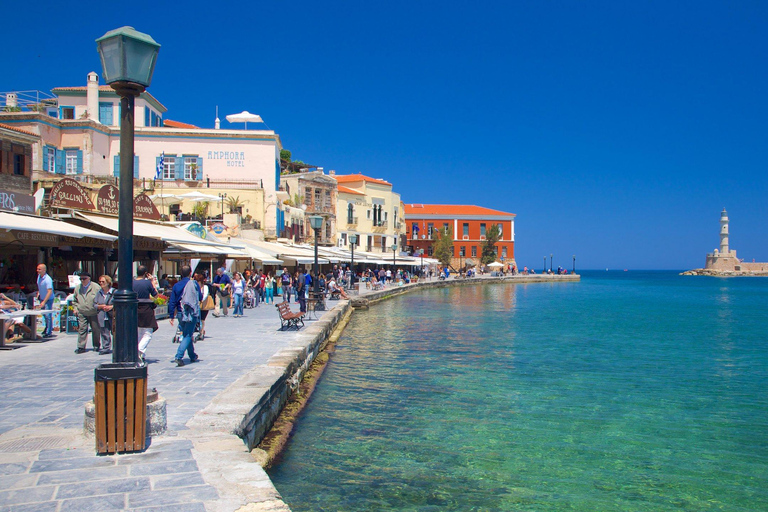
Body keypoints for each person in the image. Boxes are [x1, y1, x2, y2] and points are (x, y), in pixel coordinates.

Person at [168, 265, 200, 367]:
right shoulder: (193, 283)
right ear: (190, 272)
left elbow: (172, 301)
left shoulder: (176, 285)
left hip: (180, 313)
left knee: (187, 333)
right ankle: (179, 356)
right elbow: (200, 296)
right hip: (190, 312)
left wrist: (171, 315)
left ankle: (192, 355)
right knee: (187, 335)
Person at [134, 265, 159, 365]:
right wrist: (152, 282)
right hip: (146, 309)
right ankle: (140, 350)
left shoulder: (132, 282)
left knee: (139, 332)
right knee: (148, 333)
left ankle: (140, 355)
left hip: (135, 309)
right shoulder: (147, 283)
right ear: (145, 273)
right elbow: (156, 295)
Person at [73, 272, 101, 354]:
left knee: (96, 329)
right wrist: (75, 309)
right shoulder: (77, 288)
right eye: (80, 279)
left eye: (84, 278)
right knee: (82, 329)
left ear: (89, 278)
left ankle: (96, 345)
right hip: (82, 312)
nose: (82, 280)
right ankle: (81, 347)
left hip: (93, 312)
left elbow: (100, 298)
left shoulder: (96, 287)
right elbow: (75, 300)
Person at [93, 275, 114, 355]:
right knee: (104, 332)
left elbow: (119, 304)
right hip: (102, 315)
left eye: (103, 282)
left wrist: (111, 307)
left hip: (111, 315)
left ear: (108, 283)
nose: (101, 283)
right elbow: (94, 304)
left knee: (114, 332)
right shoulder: (99, 293)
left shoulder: (114, 292)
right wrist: (100, 306)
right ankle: (106, 347)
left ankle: (116, 347)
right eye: (100, 282)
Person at [35, 264, 55, 338]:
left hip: (48, 299)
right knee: (44, 315)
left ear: (44, 270)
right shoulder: (39, 277)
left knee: (48, 315)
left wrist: (44, 302)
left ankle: (49, 331)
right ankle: (47, 328)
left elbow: (49, 291)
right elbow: (40, 286)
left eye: (39, 269)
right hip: (42, 298)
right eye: (37, 269)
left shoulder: (48, 279)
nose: (37, 270)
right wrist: (38, 293)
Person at [196, 273, 214, 339]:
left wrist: (201, 300)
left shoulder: (205, 287)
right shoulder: (195, 287)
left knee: (202, 319)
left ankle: (202, 331)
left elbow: (205, 295)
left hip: (204, 305)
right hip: (197, 305)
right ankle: (198, 330)